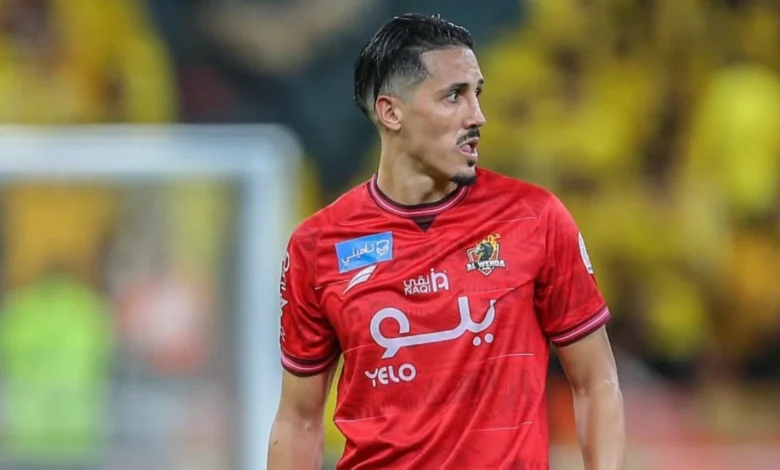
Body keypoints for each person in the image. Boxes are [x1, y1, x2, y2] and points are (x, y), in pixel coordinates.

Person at [268, 13, 625, 470]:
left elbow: (596, 383)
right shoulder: (318, 245)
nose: (477, 116)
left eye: (477, 93)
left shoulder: (534, 219)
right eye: (454, 96)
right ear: (391, 112)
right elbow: (298, 419)